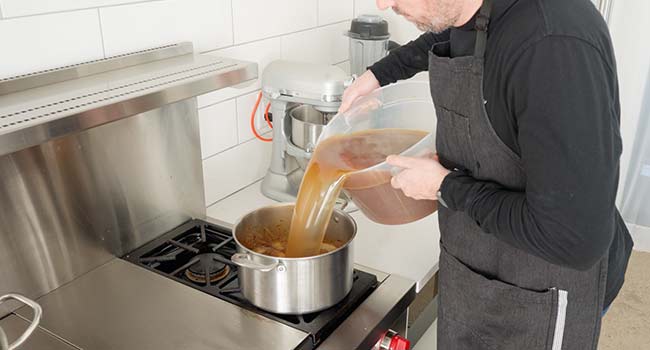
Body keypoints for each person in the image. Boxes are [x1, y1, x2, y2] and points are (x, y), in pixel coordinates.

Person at [340, 0, 634, 348]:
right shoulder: (478, 10)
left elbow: (571, 238)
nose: (383, 3)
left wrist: (443, 186)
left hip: (543, 295)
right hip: (477, 272)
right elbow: (450, 29)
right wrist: (378, 75)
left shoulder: (554, 47)